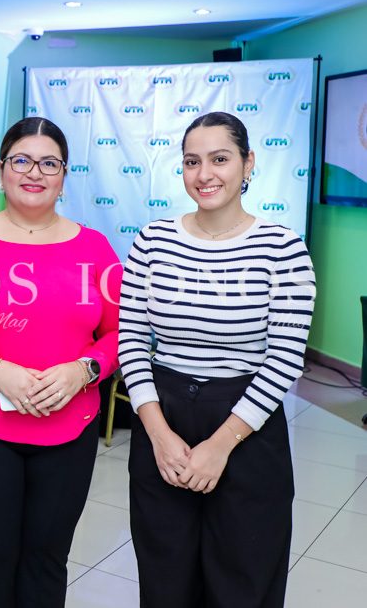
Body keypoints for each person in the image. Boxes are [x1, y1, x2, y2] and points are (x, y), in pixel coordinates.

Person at [118, 111, 316, 608]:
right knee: (164, 580)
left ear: (248, 164)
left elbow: (284, 358)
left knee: (243, 583)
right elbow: (132, 341)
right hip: (162, 416)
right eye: (192, 161)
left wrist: (222, 444)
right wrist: (159, 434)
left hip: (246, 422)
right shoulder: (152, 241)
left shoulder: (283, 248)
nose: (204, 174)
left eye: (220, 159)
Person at [0, 117, 123, 608]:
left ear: (63, 175)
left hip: (70, 430)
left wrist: (83, 370)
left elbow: (118, 335)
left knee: (46, 564)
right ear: (1, 171)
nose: (34, 172)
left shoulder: (94, 248)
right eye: (21, 160)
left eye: (49, 163)